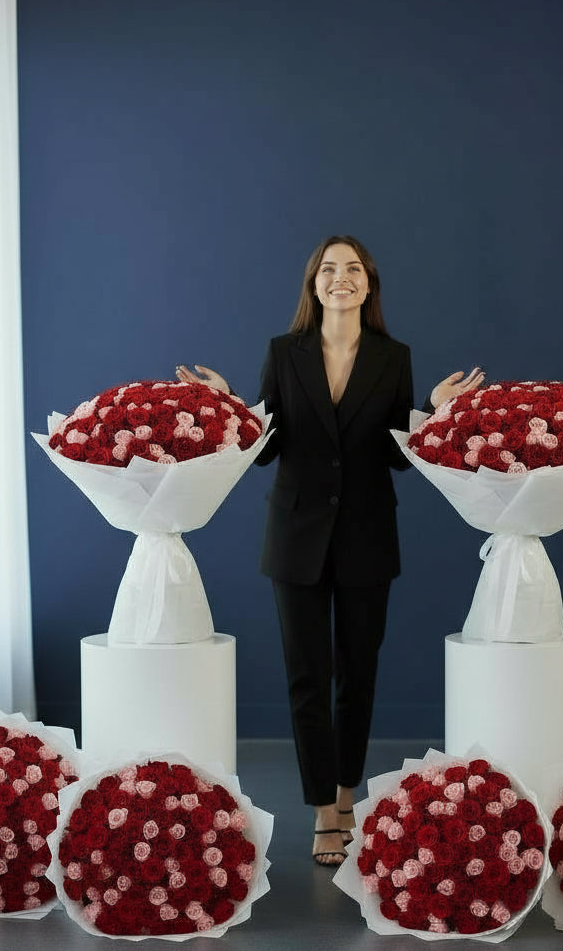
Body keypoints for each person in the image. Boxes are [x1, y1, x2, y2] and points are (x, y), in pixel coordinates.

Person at [176, 235, 483, 866]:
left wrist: (433, 413)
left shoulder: (393, 358)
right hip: (295, 537)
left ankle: (347, 797)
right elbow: (266, 449)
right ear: (313, 283)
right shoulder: (282, 354)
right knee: (306, 679)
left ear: (368, 284)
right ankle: (322, 812)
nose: (339, 278)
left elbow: (397, 458)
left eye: (352, 270)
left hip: (369, 535)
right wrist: (228, 404)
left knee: (357, 678)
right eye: (328, 269)